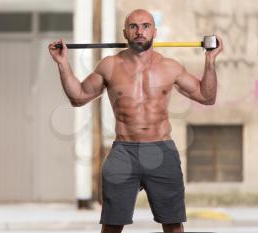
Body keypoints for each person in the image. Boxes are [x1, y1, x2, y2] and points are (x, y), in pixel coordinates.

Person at [49, 8, 223, 233]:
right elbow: (78, 97)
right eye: (133, 26)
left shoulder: (170, 67)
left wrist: (210, 60)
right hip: (124, 152)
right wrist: (62, 63)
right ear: (125, 33)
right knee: (111, 226)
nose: (139, 31)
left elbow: (207, 97)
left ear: (154, 32)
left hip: (161, 151)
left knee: (173, 225)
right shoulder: (109, 66)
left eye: (145, 26)